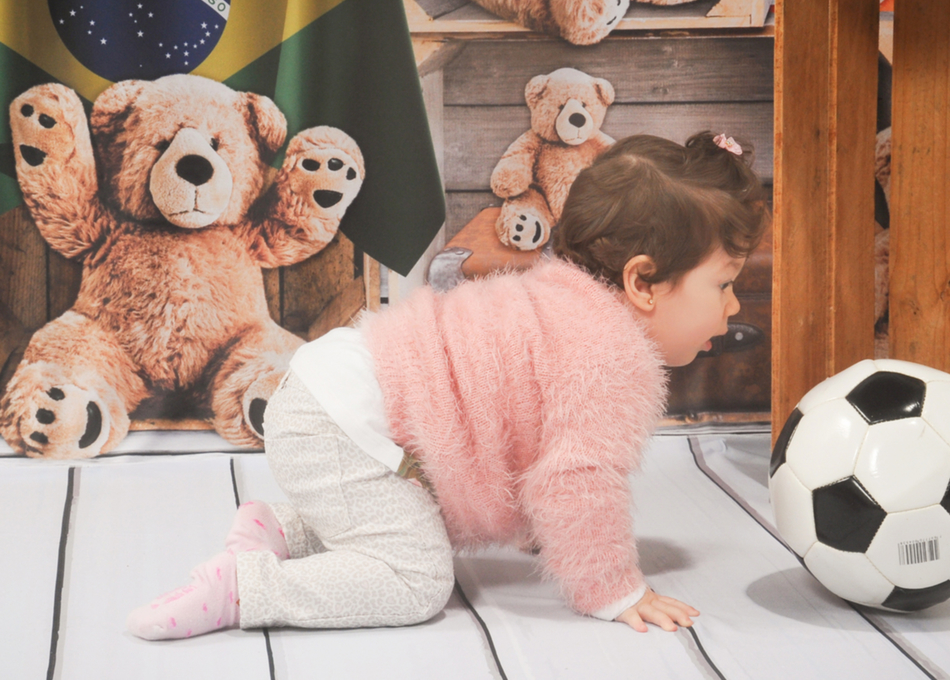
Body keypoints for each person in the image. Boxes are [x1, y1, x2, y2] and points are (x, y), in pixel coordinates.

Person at [127, 130, 768, 640]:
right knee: (417, 580)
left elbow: (523, 435)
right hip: (350, 425)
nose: (734, 306)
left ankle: (281, 530)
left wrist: (543, 532)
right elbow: (576, 480)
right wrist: (614, 589)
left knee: (398, 519)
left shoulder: (559, 299)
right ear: (642, 282)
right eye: (724, 283)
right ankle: (246, 590)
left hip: (333, 394)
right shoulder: (613, 358)